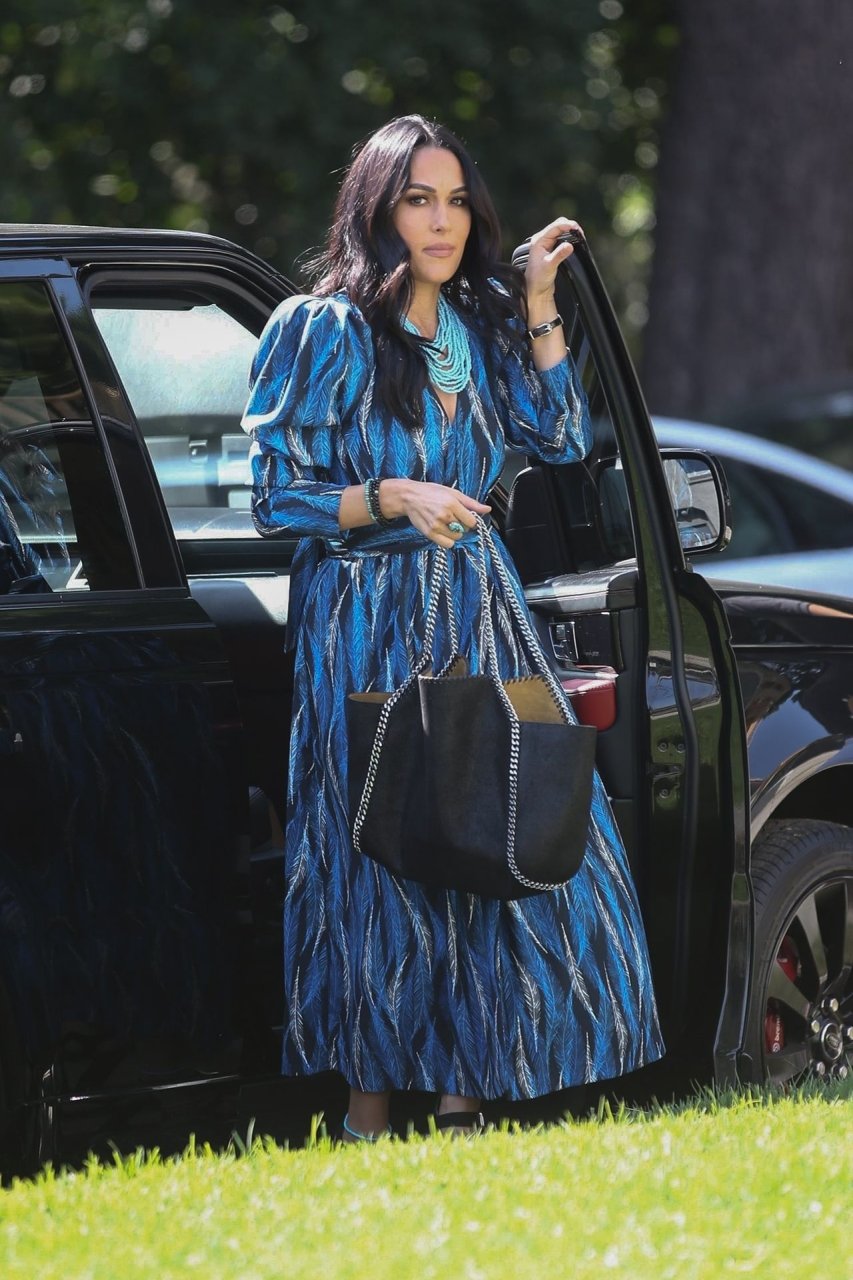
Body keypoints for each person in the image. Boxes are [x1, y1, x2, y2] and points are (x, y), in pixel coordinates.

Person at [241, 115, 664, 1141]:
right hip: (367, 619)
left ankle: (465, 1100)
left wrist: (538, 303)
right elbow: (275, 497)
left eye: (457, 201)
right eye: (418, 200)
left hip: (479, 604)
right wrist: (392, 494)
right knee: (381, 852)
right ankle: (367, 1113)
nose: (442, 221)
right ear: (376, 211)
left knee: (506, 826)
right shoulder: (322, 327)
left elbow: (557, 436)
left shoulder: (479, 322)